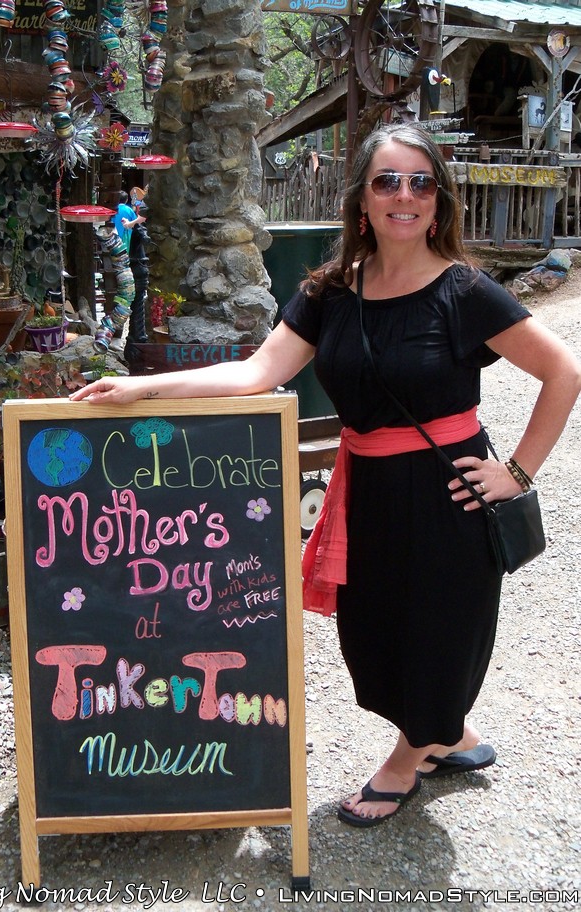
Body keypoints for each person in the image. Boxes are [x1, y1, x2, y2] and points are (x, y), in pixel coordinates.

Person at [71, 124, 581, 828]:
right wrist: (141, 389)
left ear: (438, 200)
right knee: (373, 635)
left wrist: (517, 472)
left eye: (420, 182)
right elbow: (257, 372)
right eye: (387, 181)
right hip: (367, 491)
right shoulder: (332, 292)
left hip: (446, 496)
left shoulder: (465, 291)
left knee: (437, 635)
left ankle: (409, 757)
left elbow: (563, 371)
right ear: (362, 200)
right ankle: (446, 732)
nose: (404, 195)